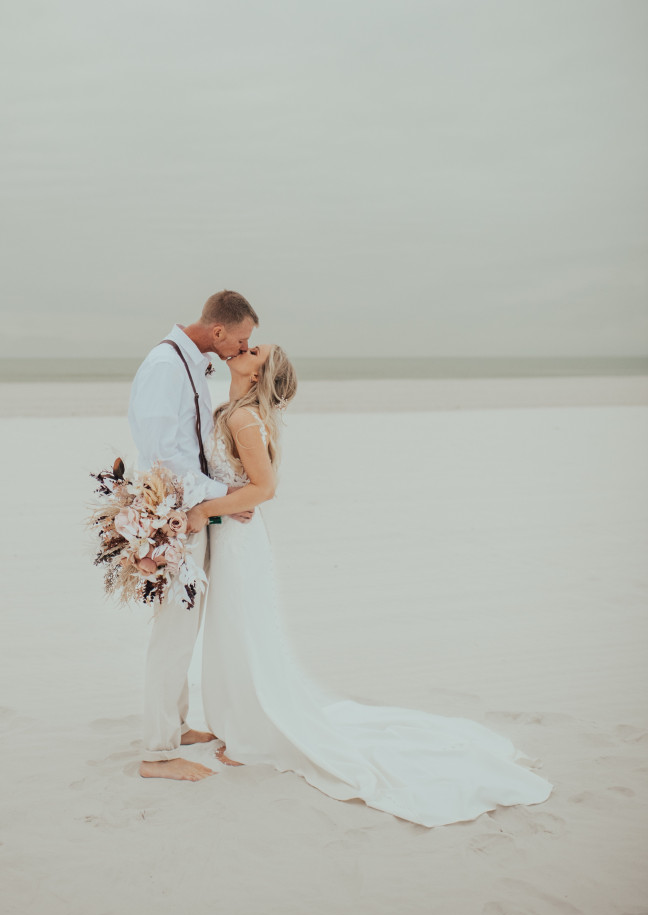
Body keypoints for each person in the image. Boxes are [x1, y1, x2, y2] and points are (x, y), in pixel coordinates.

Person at [184, 344, 554, 827]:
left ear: (258, 376)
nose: (244, 349)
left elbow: (265, 488)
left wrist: (205, 509)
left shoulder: (245, 419)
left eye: (255, 351)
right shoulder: (227, 412)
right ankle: (240, 721)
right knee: (232, 628)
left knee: (242, 629)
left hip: (239, 540)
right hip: (232, 538)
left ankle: (253, 732)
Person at [128, 289, 259, 782]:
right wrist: (221, 492)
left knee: (182, 628)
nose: (242, 350)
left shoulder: (188, 362)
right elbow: (165, 457)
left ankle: (176, 726)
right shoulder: (166, 366)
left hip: (190, 511)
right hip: (175, 515)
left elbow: (189, 445)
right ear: (219, 330)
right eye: (241, 339)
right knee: (173, 635)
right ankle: (156, 754)